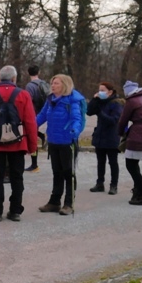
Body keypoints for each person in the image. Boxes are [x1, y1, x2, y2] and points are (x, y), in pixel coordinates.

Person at [0, 65, 38, 222]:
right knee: (17, 177)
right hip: (18, 143)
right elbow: (30, 122)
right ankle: (15, 210)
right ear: (14, 78)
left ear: (0, 78)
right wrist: (32, 145)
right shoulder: (23, 95)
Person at [36, 74, 85, 216]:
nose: (53, 85)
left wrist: (75, 130)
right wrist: (29, 125)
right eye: (52, 83)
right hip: (53, 141)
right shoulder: (50, 99)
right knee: (56, 173)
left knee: (68, 173)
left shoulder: (72, 100)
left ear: (65, 85)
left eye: (56, 83)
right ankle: (54, 202)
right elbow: (41, 116)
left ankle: (69, 203)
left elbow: (76, 118)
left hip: (67, 141)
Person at [118, 80, 142, 206]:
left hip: (137, 135)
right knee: (134, 164)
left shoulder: (132, 101)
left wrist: (120, 133)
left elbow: (123, 120)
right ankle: (137, 191)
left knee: (130, 165)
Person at [86, 81, 124, 195]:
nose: (100, 92)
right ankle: (99, 183)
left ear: (110, 92)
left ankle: (114, 185)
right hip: (100, 135)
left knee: (113, 162)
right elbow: (89, 112)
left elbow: (113, 120)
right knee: (100, 162)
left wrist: (100, 113)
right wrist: (94, 100)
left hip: (112, 136)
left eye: (102, 90)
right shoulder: (100, 102)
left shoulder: (116, 103)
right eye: (99, 90)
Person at [24, 65, 48, 173]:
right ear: (39, 72)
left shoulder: (30, 86)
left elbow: (28, 101)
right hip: (43, 112)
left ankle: (34, 164)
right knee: (34, 134)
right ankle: (42, 136)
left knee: (32, 137)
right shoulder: (44, 84)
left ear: (28, 73)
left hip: (33, 114)